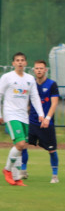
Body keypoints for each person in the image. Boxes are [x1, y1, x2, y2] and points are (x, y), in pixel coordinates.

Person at [0, 52, 47, 186]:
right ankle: (7, 170)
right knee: (20, 144)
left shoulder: (30, 79)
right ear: (13, 63)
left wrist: (41, 114)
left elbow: (35, 97)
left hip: (23, 116)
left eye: (22, 60)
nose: (20, 62)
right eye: (17, 60)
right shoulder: (7, 77)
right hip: (11, 114)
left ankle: (16, 178)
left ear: (26, 63)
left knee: (21, 147)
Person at [22, 59, 61, 183]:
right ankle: (23, 170)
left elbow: (54, 103)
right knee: (22, 145)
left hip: (46, 123)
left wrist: (47, 118)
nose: (39, 70)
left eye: (41, 68)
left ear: (45, 70)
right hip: (32, 121)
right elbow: (28, 102)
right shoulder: (31, 83)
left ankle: (55, 175)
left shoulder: (51, 84)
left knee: (51, 149)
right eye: (37, 68)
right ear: (34, 70)